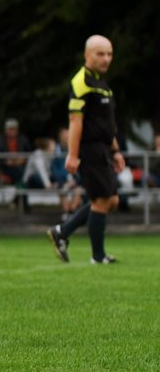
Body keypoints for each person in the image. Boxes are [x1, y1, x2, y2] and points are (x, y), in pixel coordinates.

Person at [47, 35, 124, 264]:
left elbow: (107, 125)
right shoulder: (82, 82)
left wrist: (116, 151)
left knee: (112, 201)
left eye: (109, 54)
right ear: (87, 55)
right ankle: (98, 256)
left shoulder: (102, 84)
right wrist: (72, 155)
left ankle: (62, 231)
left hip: (104, 149)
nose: (106, 59)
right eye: (100, 54)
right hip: (90, 149)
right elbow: (75, 121)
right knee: (101, 200)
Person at [0, 118, 32, 185]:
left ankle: (20, 188)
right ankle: (20, 188)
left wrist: (24, 160)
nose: (12, 131)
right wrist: (5, 161)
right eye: (10, 129)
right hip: (6, 167)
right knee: (20, 172)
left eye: (14, 129)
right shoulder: (0, 141)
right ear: (6, 130)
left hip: (21, 165)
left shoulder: (23, 139)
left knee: (24, 171)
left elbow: (30, 154)